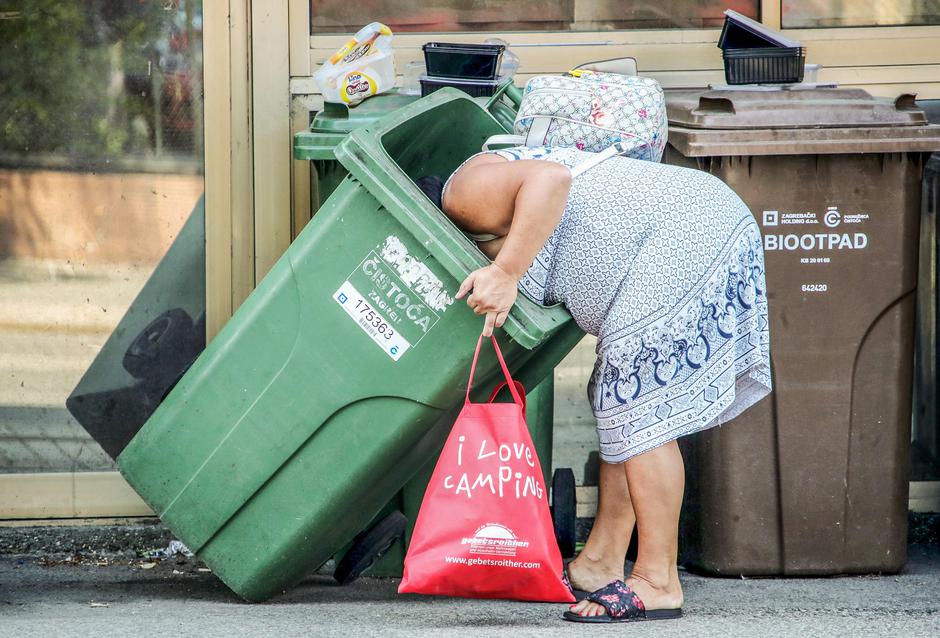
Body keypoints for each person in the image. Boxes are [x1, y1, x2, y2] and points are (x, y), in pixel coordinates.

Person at [422, 144, 771, 623]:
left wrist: (504, 272)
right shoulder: (489, 183)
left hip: (687, 236)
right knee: (618, 399)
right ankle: (600, 561)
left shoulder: (461, 197)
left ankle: (657, 581)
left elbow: (551, 179)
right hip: (696, 223)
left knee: (643, 405)